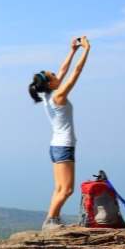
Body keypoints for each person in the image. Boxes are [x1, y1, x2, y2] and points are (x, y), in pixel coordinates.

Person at [28, 36, 90, 231]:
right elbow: (75, 73)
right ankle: (50, 221)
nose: (57, 74)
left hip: (56, 146)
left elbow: (63, 71)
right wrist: (87, 50)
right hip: (64, 146)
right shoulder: (59, 97)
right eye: (52, 74)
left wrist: (73, 50)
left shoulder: (48, 95)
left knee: (59, 188)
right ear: (50, 83)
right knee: (67, 189)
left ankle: (52, 220)